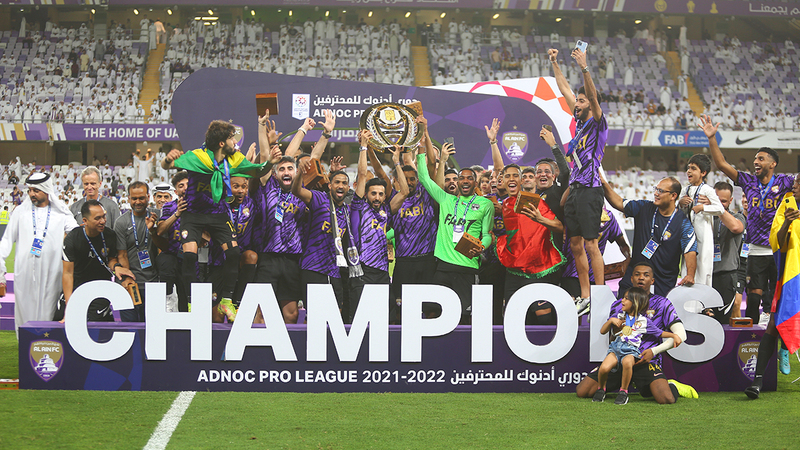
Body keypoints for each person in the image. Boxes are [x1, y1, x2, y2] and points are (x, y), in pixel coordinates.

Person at [160, 120, 280, 322]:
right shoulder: (197, 157)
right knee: (189, 255)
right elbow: (168, 165)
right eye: (232, 138)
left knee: (233, 252)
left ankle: (227, 300)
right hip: (194, 214)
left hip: (217, 213)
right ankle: (191, 302)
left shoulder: (234, 159)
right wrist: (166, 159)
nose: (236, 142)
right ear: (222, 143)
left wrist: (270, 164)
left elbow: (256, 171)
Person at [700, 115, 795, 324]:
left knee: (778, 297)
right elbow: (721, 164)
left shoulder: (784, 181)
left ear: (773, 163)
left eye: (761, 159)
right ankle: (753, 338)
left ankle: (780, 339)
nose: (755, 162)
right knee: (753, 299)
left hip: (779, 248)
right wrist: (712, 138)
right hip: (756, 249)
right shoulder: (749, 181)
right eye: (755, 159)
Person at [575, 261, 696, 404]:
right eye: (637, 274)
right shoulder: (618, 305)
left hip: (645, 360)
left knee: (666, 398)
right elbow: (611, 335)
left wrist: (654, 351)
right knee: (583, 391)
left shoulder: (662, 304)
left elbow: (681, 335)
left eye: (646, 275)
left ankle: (672, 385)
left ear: (652, 281)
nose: (641, 278)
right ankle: (618, 383)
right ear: (631, 279)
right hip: (620, 358)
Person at [549, 46, 608, 315]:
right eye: (578, 101)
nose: (577, 103)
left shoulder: (598, 123)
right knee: (575, 244)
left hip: (590, 189)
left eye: (581, 101)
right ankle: (585, 295)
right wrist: (555, 63)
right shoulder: (579, 124)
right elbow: (564, 89)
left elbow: (592, 97)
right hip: (575, 189)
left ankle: (600, 294)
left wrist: (584, 67)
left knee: (591, 243)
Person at [416, 133, 493, 324]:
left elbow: (487, 234)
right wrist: (421, 148)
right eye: (461, 178)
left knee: (466, 318)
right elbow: (424, 177)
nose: (465, 181)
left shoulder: (485, 204)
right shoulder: (446, 199)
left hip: (468, 268)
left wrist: (482, 246)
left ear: (475, 183)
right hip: (443, 267)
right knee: (432, 312)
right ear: (457, 182)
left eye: (469, 178)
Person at [0, 173, 78, 336]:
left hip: (52, 273)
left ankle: (46, 345)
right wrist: (1, 272)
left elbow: (77, 234)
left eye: (36, 190)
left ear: (46, 190)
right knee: (24, 313)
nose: (31, 194)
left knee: (48, 313)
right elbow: (6, 242)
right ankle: (25, 345)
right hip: (25, 273)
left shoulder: (61, 213)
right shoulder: (20, 212)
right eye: (30, 190)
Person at [602, 175, 697, 297]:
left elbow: (690, 251)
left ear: (673, 196)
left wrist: (690, 274)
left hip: (663, 282)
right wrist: (603, 183)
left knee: (656, 309)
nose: (656, 193)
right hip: (635, 277)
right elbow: (619, 202)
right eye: (656, 189)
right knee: (623, 306)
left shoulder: (683, 223)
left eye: (661, 191)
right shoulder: (644, 207)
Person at [348, 135, 409, 322]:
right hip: (362, 270)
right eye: (373, 193)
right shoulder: (358, 207)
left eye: (381, 194)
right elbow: (361, 175)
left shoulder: (386, 211)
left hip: (382, 272)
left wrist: (396, 162)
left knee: (386, 317)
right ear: (366, 194)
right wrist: (363, 147)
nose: (377, 197)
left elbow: (405, 192)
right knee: (360, 318)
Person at [495, 163, 565, 325]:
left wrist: (540, 219)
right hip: (514, 270)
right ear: (502, 181)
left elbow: (559, 226)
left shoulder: (535, 202)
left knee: (544, 318)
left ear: (521, 181)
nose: (511, 179)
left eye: (515, 175)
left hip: (536, 268)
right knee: (513, 318)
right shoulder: (505, 204)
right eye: (507, 176)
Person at [594, 287, 680, 405]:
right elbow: (602, 331)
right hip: (615, 349)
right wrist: (610, 321)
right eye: (623, 298)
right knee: (604, 368)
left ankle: (623, 391)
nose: (622, 301)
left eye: (626, 299)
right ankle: (601, 389)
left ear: (635, 303)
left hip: (630, 350)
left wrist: (674, 335)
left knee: (627, 363)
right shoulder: (619, 316)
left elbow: (659, 333)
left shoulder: (644, 321)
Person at [62, 200, 135, 321]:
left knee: (94, 322)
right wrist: (69, 306)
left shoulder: (109, 235)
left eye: (104, 216)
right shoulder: (73, 238)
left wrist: (116, 266)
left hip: (101, 288)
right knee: (63, 318)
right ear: (85, 221)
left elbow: (111, 259)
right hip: (78, 288)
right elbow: (67, 273)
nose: (103, 221)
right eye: (97, 218)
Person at [700, 182, 746, 322]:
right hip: (703, 275)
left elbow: (735, 228)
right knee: (702, 320)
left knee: (723, 320)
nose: (720, 203)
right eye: (717, 199)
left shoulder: (737, 217)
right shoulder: (703, 218)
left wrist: (716, 207)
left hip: (726, 276)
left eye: (723, 201)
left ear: (731, 201)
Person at [114, 182, 159, 322]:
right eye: (134, 198)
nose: (138, 202)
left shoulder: (157, 216)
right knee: (130, 327)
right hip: (131, 283)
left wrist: (154, 230)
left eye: (141, 198)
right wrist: (128, 278)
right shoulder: (121, 222)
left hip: (154, 283)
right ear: (128, 198)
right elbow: (122, 254)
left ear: (148, 197)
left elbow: (164, 248)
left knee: (153, 326)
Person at [678, 154, 723, 287]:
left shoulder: (707, 190)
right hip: (687, 234)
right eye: (688, 168)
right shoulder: (685, 190)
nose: (689, 171)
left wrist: (703, 207)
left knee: (703, 267)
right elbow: (676, 210)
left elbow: (720, 209)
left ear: (703, 173)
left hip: (703, 235)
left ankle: (703, 298)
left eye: (693, 168)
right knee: (686, 266)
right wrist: (680, 203)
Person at [155, 171, 188, 312]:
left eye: (188, 185)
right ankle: (167, 302)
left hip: (192, 258)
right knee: (166, 262)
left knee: (186, 300)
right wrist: (177, 214)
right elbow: (160, 230)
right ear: (176, 191)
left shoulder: (202, 207)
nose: (185, 188)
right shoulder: (169, 207)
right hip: (173, 254)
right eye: (181, 186)